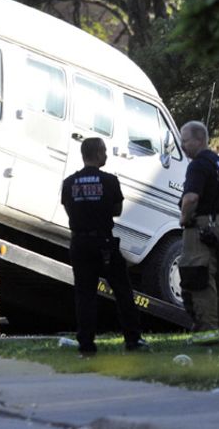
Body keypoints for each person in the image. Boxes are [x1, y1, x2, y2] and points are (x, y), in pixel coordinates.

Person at [60, 137, 149, 357]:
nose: (107, 155)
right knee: (122, 291)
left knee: (85, 295)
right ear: (98, 153)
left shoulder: (70, 182)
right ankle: (133, 339)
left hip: (79, 242)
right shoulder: (109, 181)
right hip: (104, 243)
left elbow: (69, 209)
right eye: (105, 151)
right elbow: (117, 210)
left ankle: (87, 345)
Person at [178, 121, 219, 345]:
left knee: (200, 278)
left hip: (201, 227)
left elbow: (191, 198)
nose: (182, 146)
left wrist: (184, 218)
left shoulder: (197, 165)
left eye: (185, 141)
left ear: (198, 139)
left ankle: (207, 333)